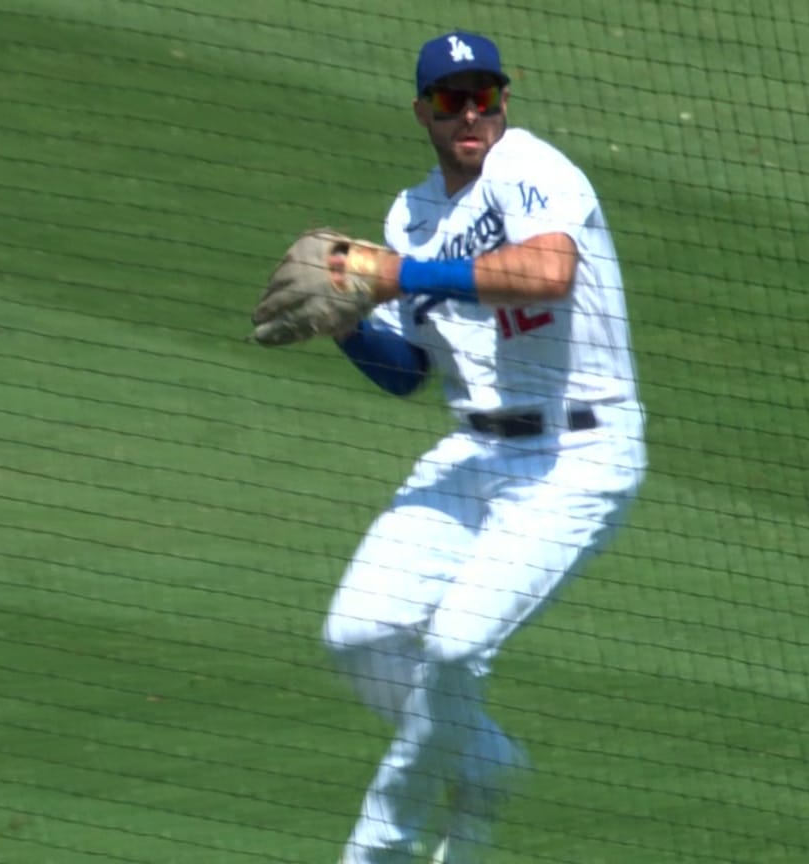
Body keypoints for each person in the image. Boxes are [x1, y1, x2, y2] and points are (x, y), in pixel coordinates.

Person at [313, 30, 647, 864]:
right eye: (448, 99)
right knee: (357, 636)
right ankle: (484, 760)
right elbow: (406, 375)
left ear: (503, 101)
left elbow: (547, 274)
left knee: (458, 644)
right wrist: (345, 321)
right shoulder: (411, 214)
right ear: (421, 111)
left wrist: (400, 276)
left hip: (580, 454)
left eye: (483, 95)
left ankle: (380, 849)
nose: (469, 114)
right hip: (472, 455)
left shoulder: (532, 169)